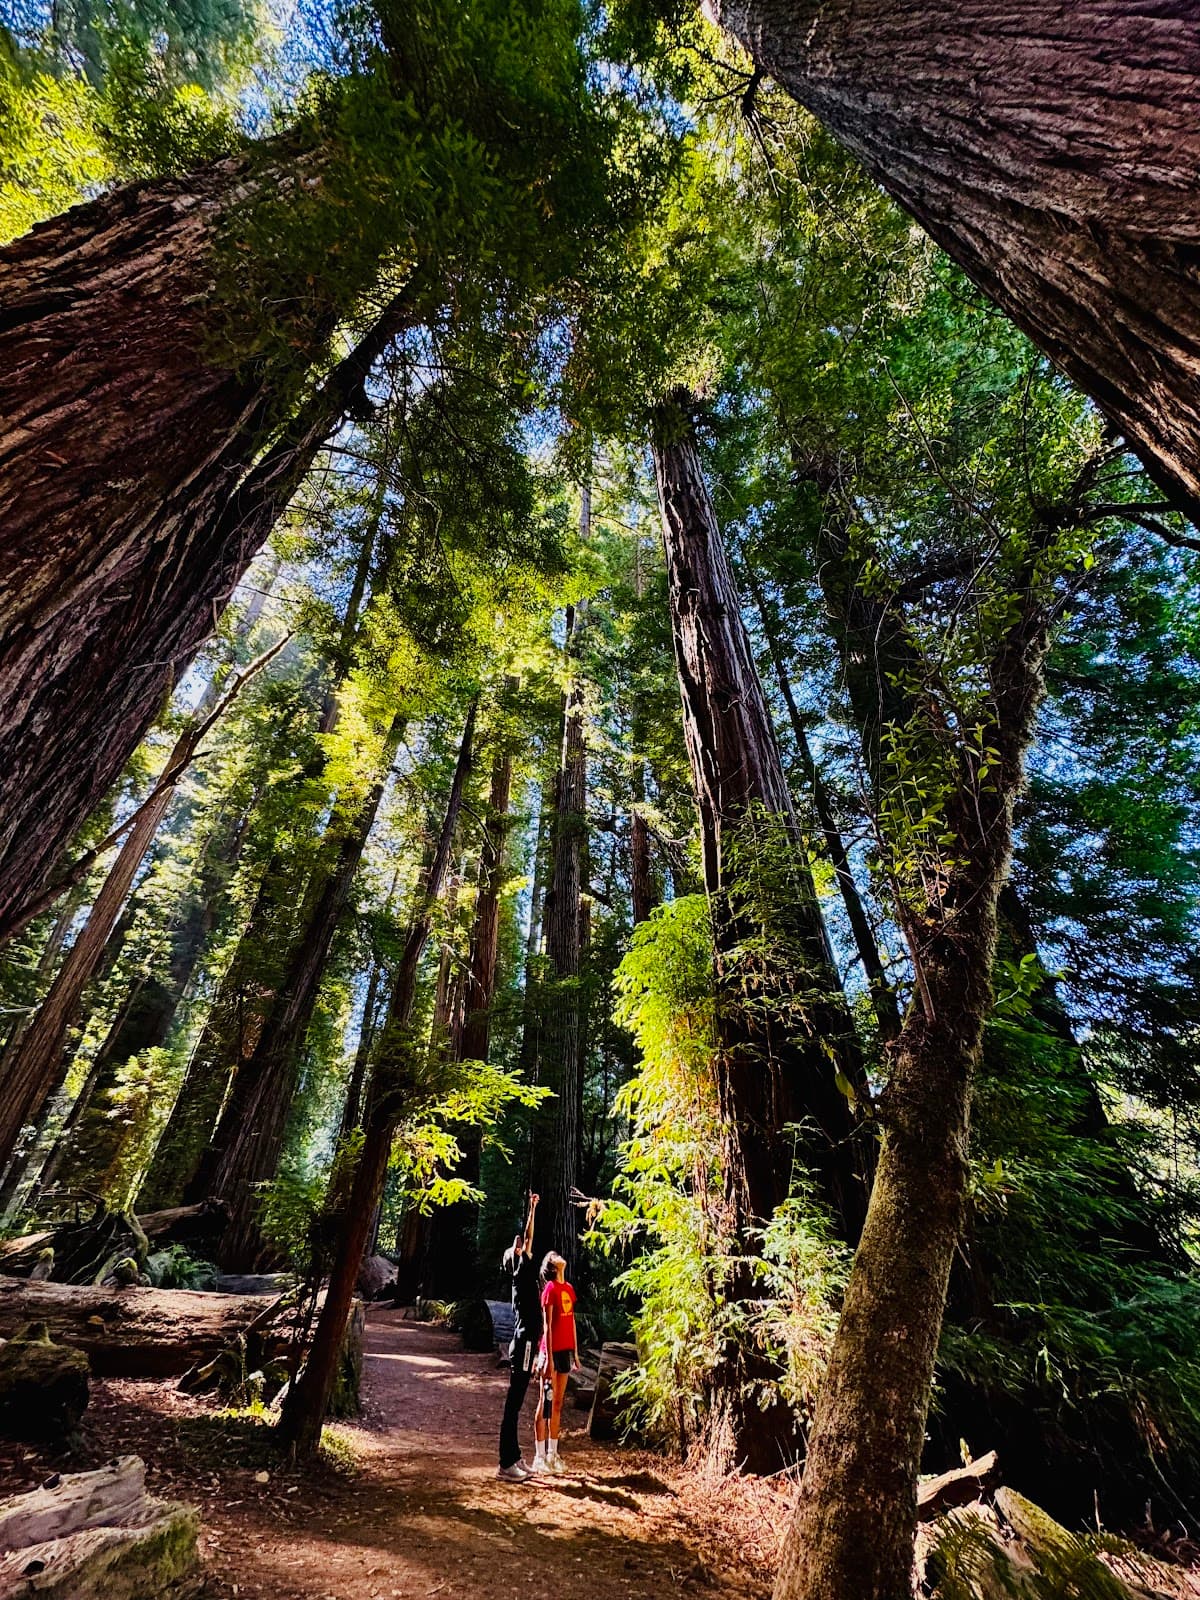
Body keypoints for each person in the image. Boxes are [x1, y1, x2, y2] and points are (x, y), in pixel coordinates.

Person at [497, 1191, 540, 1482]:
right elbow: (527, 1235)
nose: (519, 1244)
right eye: (516, 1248)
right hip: (523, 1343)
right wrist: (531, 1208)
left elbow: (528, 1239)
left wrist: (533, 1209)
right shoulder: (520, 1270)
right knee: (514, 1404)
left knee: (517, 1402)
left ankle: (514, 1457)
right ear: (514, 1260)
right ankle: (506, 1463)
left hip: (526, 1341)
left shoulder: (523, 1272)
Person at [530, 1250, 578, 1475]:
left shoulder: (568, 1288)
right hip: (550, 1352)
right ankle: (539, 1456)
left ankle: (553, 1453)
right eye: (553, 1256)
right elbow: (548, 1325)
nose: (558, 1256)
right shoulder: (550, 1289)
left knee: (558, 1403)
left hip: (565, 1351)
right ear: (551, 1266)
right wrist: (547, 1358)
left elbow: (572, 1321)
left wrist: (575, 1353)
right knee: (545, 1403)